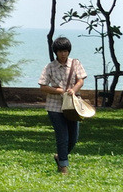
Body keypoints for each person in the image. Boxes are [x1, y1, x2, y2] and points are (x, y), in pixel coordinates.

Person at [37, 36, 88, 174]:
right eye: (60, 51)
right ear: (56, 52)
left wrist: (74, 90)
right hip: (55, 107)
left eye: (65, 51)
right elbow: (42, 85)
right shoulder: (50, 67)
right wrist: (58, 90)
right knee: (62, 136)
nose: (63, 54)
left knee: (73, 138)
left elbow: (81, 80)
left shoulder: (75, 63)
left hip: (72, 106)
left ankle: (60, 157)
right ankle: (63, 166)